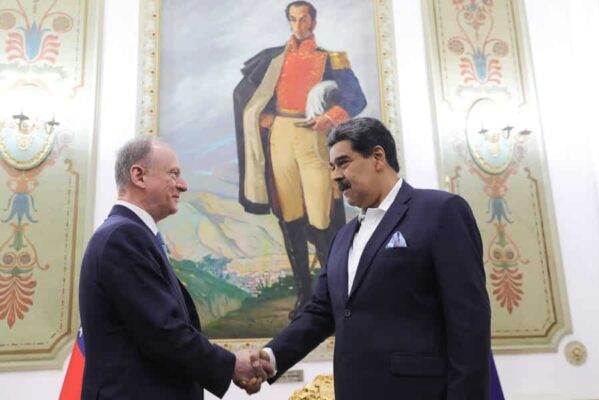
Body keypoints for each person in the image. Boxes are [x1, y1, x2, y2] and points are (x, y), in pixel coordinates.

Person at [261, 118, 491, 399]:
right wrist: (270, 358)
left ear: (377, 157)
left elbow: (469, 322)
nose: (335, 175)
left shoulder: (440, 211)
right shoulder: (343, 237)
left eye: (343, 163)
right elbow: (320, 312)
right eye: (332, 167)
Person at [78, 138, 271, 399]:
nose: (183, 185)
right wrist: (231, 365)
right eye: (173, 173)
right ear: (139, 176)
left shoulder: (129, 234)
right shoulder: (123, 237)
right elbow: (162, 331)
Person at [233, 1, 367, 317]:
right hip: (281, 136)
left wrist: (330, 118)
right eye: (293, 20)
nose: (298, 25)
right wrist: (265, 117)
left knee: (322, 216)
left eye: (303, 19)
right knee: (289, 213)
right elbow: (249, 96)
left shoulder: (331, 59)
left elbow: (356, 99)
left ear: (313, 21)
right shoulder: (273, 59)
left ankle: (334, 293)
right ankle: (305, 295)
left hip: (313, 137)